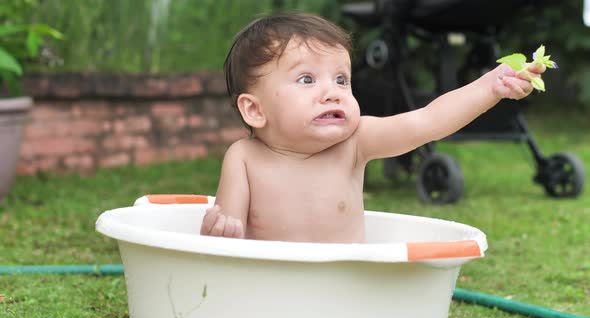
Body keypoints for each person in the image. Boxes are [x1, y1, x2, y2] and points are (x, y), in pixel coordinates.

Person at [200, 12, 545, 243]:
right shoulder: (243, 158)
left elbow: (428, 121)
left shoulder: (354, 142)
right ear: (254, 110)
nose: (331, 93)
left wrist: (489, 86)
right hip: (275, 296)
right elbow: (228, 232)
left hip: (346, 295)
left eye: (341, 79)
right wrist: (219, 232)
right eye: (306, 79)